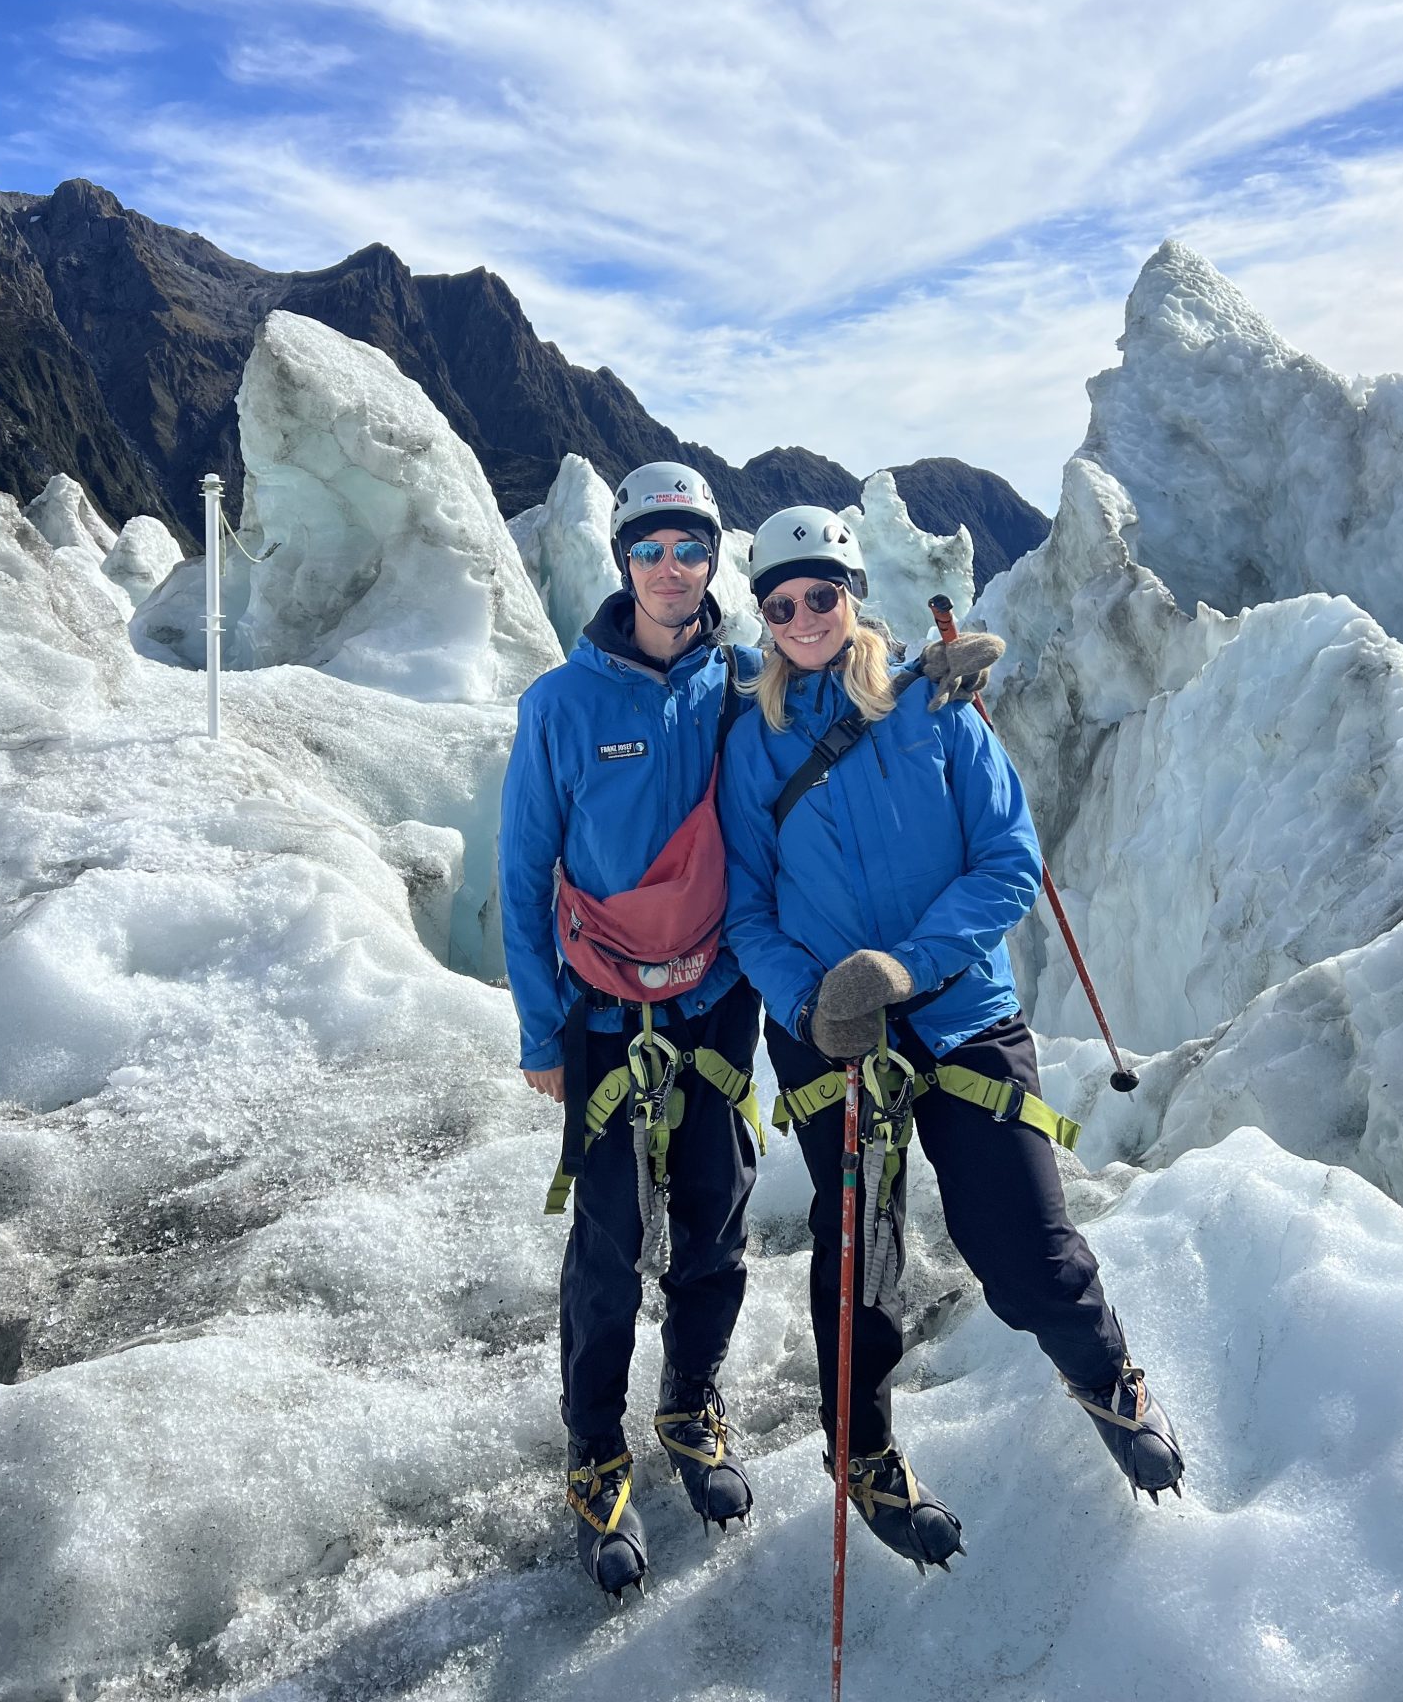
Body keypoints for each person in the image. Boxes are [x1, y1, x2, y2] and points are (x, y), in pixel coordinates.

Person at [718, 506, 1184, 1572]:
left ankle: (1111, 1379)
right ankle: (865, 1451)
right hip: (830, 1030)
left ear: (852, 594)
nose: (802, 618)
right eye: (781, 602)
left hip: (962, 1008)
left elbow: (1009, 858)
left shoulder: (934, 706)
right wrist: (811, 1003)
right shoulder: (754, 742)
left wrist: (908, 967)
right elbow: (747, 908)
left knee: (1024, 1241)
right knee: (859, 1256)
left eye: (821, 595)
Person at [498, 461, 766, 1599]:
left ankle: (690, 1401)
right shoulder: (561, 703)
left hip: (714, 996)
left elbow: (850, 697)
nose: (670, 566)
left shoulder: (745, 682)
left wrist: (931, 688)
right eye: (650, 545)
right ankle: (595, 1448)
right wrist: (540, 1029)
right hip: (604, 1010)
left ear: (714, 559)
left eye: (689, 545)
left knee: (716, 1211)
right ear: (622, 560)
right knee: (608, 1244)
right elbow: (523, 872)